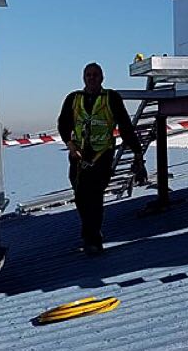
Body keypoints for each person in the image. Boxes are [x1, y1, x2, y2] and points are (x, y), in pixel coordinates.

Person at [57, 62, 146, 255]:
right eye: (88, 75)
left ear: (102, 78)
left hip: (101, 155)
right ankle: (89, 230)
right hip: (78, 156)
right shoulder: (73, 98)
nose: (92, 78)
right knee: (81, 197)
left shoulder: (111, 98)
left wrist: (137, 152)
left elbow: (125, 125)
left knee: (95, 197)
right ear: (83, 78)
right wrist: (71, 146)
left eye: (95, 75)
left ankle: (93, 239)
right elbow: (63, 124)